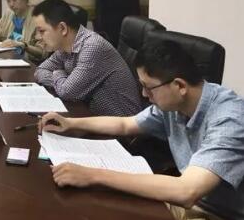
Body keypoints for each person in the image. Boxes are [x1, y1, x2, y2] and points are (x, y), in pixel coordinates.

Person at [40, 40, 244, 220]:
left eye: (148, 87)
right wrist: (71, 123)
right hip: (188, 204)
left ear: (179, 86)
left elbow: (187, 191)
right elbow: (125, 124)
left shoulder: (229, 120)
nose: (145, 95)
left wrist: (91, 175)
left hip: (217, 213)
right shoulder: (174, 104)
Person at [32, 0, 142, 116]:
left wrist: (58, 73)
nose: (38, 37)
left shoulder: (92, 46)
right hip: (90, 115)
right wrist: (63, 81)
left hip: (120, 121)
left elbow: (66, 92)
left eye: (42, 31)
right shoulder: (63, 47)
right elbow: (40, 71)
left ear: (62, 28)